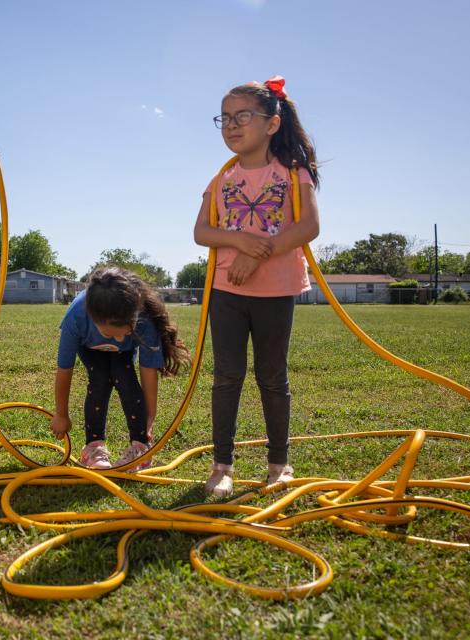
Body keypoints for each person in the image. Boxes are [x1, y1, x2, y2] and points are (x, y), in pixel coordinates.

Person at [193, 75, 320, 497]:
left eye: (242, 116)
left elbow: (309, 226)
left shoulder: (293, 172)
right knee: (226, 376)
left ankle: (279, 463)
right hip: (226, 291)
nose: (231, 125)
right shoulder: (220, 179)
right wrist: (237, 241)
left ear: (272, 123)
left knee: (272, 376)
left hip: (276, 289)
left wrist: (256, 253)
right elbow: (202, 231)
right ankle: (222, 466)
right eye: (224, 118)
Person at [49, 267, 191, 471]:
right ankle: (94, 447)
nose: (118, 339)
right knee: (100, 379)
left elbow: (148, 370)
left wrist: (150, 417)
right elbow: (64, 369)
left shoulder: (145, 318)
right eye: (111, 333)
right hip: (89, 348)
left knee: (125, 378)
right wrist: (61, 414)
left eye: (126, 332)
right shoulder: (76, 317)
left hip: (123, 354)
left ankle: (141, 447)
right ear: (93, 317)